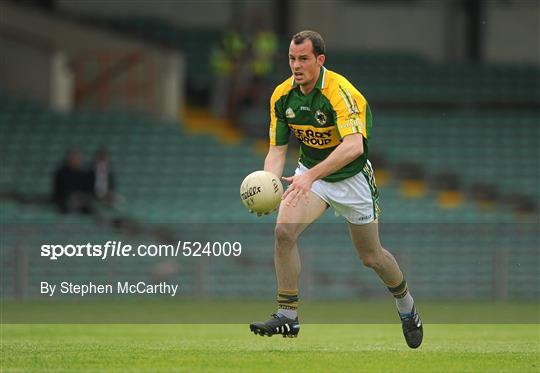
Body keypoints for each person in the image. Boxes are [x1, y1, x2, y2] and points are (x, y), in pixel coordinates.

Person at [248, 31, 423, 349]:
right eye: (291, 58)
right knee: (283, 233)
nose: (296, 66)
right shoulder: (282, 96)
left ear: (320, 60)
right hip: (311, 177)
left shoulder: (340, 92)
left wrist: (310, 176)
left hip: (351, 180)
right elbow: (277, 150)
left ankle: (406, 306)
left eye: (303, 59)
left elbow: (354, 147)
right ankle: (288, 316)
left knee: (371, 256)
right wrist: (270, 184)